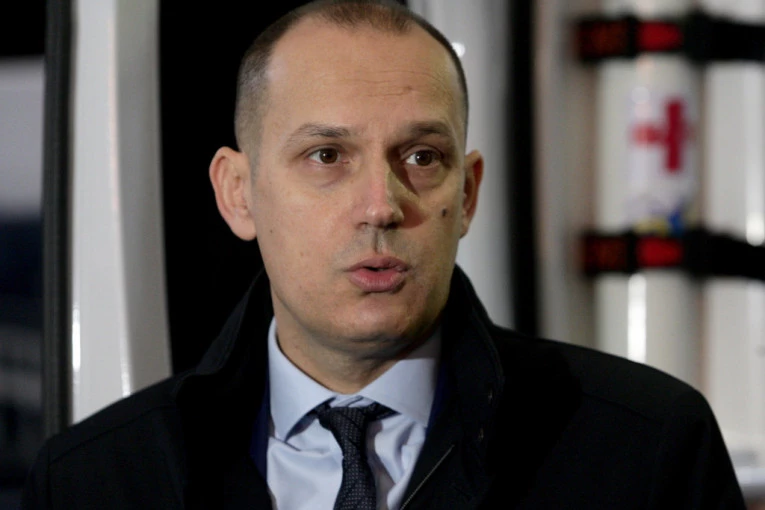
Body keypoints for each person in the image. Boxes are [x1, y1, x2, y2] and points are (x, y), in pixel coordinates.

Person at [24, 0, 746, 508]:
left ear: (467, 194)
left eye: (421, 156)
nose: (380, 205)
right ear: (238, 193)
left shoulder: (645, 450)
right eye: (327, 155)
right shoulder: (95, 480)